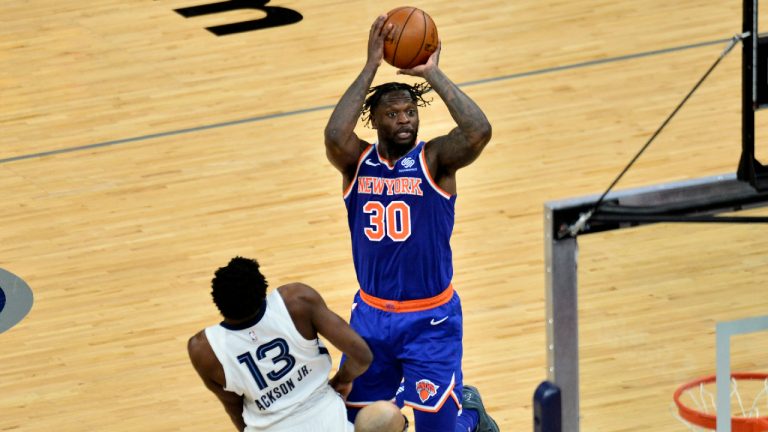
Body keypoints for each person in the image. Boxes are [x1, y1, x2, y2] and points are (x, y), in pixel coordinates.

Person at [323, 14, 498, 432]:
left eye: (410, 111)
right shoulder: (356, 162)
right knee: (358, 423)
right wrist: (370, 66)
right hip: (370, 317)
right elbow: (333, 135)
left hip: (430, 320)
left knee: (436, 428)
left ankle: (470, 415)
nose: (404, 119)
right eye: (393, 114)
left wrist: (432, 73)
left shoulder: (434, 160)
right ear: (376, 121)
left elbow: (478, 130)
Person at [187, 256, 373, 431]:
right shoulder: (297, 301)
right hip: (328, 417)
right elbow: (362, 355)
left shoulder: (203, 350)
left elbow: (235, 410)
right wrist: (342, 380)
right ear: (262, 289)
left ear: (217, 301)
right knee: (386, 417)